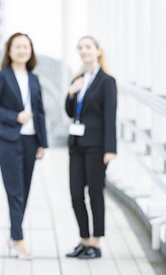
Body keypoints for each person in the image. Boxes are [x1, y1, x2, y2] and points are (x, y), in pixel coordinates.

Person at [0, 32, 48, 259]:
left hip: (31, 141)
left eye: (26, 46)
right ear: (10, 51)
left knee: (25, 190)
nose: (22, 50)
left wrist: (42, 143)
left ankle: (14, 235)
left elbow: (40, 112)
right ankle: (19, 239)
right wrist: (16, 117)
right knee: (15, 192)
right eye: (17, 47)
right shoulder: (2, 76)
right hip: (9, 140)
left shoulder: (34, 78)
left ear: (30, 51)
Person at [65, 36, 117, 259]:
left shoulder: (107, 81)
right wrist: (71, 93)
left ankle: (95, 244)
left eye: (88, 47)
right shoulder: (79, 78)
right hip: (77, 144)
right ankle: (84, 239)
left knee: (95, 193)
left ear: (97, 51)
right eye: (80, 48)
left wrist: (110, 148)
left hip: (97, 146)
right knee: (76, 194)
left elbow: (110, 116)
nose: (84, 51)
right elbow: (70, 112)